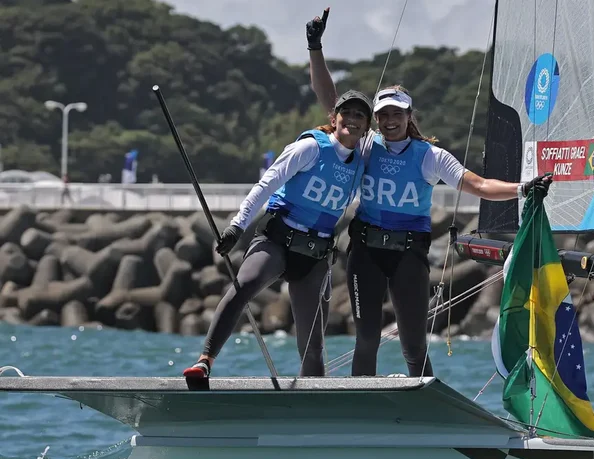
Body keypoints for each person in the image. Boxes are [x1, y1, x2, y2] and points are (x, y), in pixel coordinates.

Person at [305, 9, 554, 377]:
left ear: (409, 117)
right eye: (383, 115)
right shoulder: (367, 145)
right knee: (367, 340)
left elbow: (479, 185)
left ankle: (424, 405)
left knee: (414, 343)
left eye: (397, 114)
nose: (390, 121)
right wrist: (315, 47)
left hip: (409, 254)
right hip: (366, 253)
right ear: (375, 120)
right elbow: (331, 100)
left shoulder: (430, 157)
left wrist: (523, 189)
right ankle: (360, 404)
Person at [183, 89, 374, 378]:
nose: (352, 119)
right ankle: (204, 361)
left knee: (312, 345)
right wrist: (237, 226)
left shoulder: (363, 162)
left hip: (315, 255)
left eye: (360, 115)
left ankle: (313, 399)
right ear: (334, 118)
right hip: (278, 240)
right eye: (346, 112)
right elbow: (267, 184)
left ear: (367, 126)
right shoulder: (310, 148)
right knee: (243, 286)